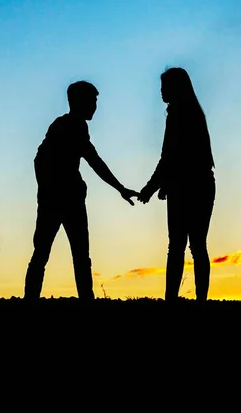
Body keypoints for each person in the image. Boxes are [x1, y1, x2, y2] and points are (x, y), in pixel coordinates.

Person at [24, 80, 139, 301]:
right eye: (92, 101)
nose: (95, 106)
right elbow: (93, 160)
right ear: (78, 102)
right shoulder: (70, 126)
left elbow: (42, 159)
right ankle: (83, 300)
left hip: (60, 198)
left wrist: (46, 190)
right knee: (70, 255)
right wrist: (120, 188)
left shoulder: (66, 126)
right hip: (64, 199)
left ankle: (33, 300)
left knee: (49, 254)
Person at [138, 67, 216, 304]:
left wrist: (150, 188)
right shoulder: (193, 112)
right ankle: (200, 299)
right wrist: (164, 185)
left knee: (178, 247)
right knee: (197, 246)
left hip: (187, 187)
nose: (161, 91)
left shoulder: (179, 113)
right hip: (201, 184)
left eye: (164, 87)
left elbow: (170, 156)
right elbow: (181, 157)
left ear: (175, 88)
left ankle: (171, 299)